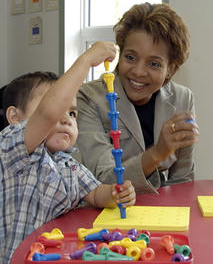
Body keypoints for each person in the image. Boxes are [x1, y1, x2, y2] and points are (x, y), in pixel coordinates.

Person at [0, 43, 136, 264]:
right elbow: (46, 114)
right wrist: (86, 60)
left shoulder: (68, 164)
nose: (66, 119)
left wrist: (115, 194)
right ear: (15, 117)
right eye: (59, 108)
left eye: (72, 113)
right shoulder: (13, 148)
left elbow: (95, 193)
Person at [76, 2, 200, 194]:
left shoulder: (182, 98)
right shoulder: (89, 98)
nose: (139, 72)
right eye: (130, 57)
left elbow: (182, 182)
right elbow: (102, 183)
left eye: (154, 64)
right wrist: (157, 153)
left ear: (171, 69)